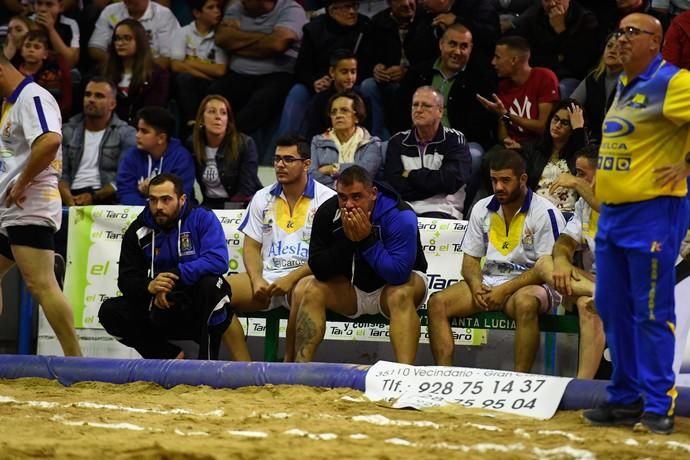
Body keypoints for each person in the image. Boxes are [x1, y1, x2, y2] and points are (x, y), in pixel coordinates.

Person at [582, 13, 690, 436]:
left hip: (652, 213)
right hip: (612, 216)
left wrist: (686, 166)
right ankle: (624, 398)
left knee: (650, 311)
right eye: (618, 31)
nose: (621, 39)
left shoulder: (673, 81)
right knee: (610, 306)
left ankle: (658, 404)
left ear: (656, 41)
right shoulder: (623, 86)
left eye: (632, 32)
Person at [427, 149, 565, 372]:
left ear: (523, 179)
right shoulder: (482, 208)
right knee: (437, 304)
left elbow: (545, 269)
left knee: (525, 304)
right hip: (491, 282)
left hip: (533, 284)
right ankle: (445, 376)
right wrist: (475, 285)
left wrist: (505, 290)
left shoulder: (545, 213)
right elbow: (470, 261)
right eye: (494, 180)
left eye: (505, 180)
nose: (499, 187)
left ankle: (519, 381)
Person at [294, 165, 428, 364]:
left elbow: (399, 274)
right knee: (312, 289)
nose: (348, 205)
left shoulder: (400, 214)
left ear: (373, 193)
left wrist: (366, 240)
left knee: (400, 294)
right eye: (342, 197)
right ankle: (299, 367)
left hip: (394, 288)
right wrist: (349, 240)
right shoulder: (329, 212)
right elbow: (319, 268)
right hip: (353, 289)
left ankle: (404, 373)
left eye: (356, 197)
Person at [98, 173, 234, 360]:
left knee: (213, 286)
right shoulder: (139, 229)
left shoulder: (202, 218)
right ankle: (168, 356)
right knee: (110, 311)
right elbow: (127, 279)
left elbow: (217, 260)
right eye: (153, 200)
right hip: (160, 306)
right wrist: (149, 287)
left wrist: (173, 277)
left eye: (166, 200)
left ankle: (207, 363)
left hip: (194, 304)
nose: (158, 207)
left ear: (182, 199)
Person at [224, 135, 336, 361]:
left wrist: (291, 278)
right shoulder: (261, 197)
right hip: (267, 279)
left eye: (288, 159)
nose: (279, 165)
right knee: (215, 291)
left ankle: (290, 363)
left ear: (306, 164)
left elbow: (328, 256)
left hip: (307, 276)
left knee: (305, 289)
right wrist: (256, 279)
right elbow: (252, 247)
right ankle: (244, 368)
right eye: (276, 159)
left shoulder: (328, 199)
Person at [0, 52, 81, 357]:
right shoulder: (9, 104)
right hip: (10, 207)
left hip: (29, 203)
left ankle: (76, 360)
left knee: (42, 284)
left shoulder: (33, 96)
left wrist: (20, 183)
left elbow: (49, 140)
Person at [534, 144, 605, 379]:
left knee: (587, 304)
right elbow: (564, 241)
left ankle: (582, 382)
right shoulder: (583, 205)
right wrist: (563, 262)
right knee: (545, 264)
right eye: (576, 173)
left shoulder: (626, 201)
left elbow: (611, 212)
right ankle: (582, 385)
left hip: (632, 284)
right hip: (593, 283)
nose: (575, 178)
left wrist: (575, 184)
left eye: (581, 173)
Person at [212, 0, 307, 134]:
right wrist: (266, 39)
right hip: (238, 74)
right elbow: (222, 38)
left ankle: (229, 141)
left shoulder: (291, 9)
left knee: (258, 106)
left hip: (276, 75)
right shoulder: (237, 7)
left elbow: (276, 45)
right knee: (212, 97)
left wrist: (237, 41)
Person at [384, 86, 471, 219]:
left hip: (443, 210)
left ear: (440, 111)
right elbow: (395, 185)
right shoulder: (397, 141)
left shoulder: (454, 139)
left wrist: (409, 173)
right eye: (415, 105)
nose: (418, 110)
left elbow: (450, 181)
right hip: (405, 210)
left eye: (426, 106)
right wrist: (434, 186)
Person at [60, 76, 136, 206]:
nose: (91, 100)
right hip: (70, 195)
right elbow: (61, 173)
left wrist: (94, 197)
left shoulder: (126, 133)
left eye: (99, 96)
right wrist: (68, 199)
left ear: (112, 104)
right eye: (88, 95)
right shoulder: (67, 130)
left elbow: (124, 178)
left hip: (106, 198)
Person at [504, 99, 588, 213]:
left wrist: (579, 130)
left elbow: (587, 167)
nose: (557, 125)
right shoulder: (535, 150)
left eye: (565, 123)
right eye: (556, 119)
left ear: (572, 128)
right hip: (537, 214)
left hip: (568, 215)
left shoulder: (578, 155)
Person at [477, 36, 559, 146]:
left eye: (497, 57)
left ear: (514, 60)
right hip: (512, 147)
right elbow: (503, 132)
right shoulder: (503, 86)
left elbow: (543, 127)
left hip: (538, 146)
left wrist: (506, 115)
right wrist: (505, 139)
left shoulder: (544, 77)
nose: (493, 62)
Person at [511, 0, 601, 97]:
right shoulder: (531, 17)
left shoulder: (585, 20)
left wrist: (560, 30)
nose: (552, 4)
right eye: (547, 0)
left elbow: (580, 64)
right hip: (539, 74)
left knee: (561, 89)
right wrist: (558, 58)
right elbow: (528, 58)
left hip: (571, 78)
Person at [191, 94, 262, 208]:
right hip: (209, 204)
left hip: (243, 205)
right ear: (201, 119)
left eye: (223, 113)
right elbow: (186, 184)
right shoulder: (192, 145)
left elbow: (246, 189)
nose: (218, 117)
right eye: (212, 111)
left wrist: (226, 214)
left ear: (228, 121)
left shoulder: (245, 144)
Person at [116, 106, 195, 206]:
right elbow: (124, 192)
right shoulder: (132, 155)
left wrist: (152, 193)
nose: (137, 135)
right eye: (138, 130)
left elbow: (180, 197)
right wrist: (150, 207)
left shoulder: (181, 159)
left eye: (144, 131)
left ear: (161, 138)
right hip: (137, 214)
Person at [170, 0, 227, 133]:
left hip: (210, 86)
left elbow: (220, 70)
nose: (217, 11)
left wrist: (189, 62)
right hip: (190, 84)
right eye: (211, 8)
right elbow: (176, 66)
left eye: (218, 7)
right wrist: (207, 74)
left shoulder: (220, 36)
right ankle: (191, 123)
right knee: (184, 79)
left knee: (220, 85)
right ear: (197, 13)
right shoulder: (182, 33)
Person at [102, 19, 170, 126]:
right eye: (117, 38)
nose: (120, 43)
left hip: (140, 131)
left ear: (140, 41)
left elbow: (153, 111)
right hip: (107, 128)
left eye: (127, 38)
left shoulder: (157, 75)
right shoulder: (103, 72)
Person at [309, 91, 383, 189]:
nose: (338, 115)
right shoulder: (318, 142)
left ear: (356, 117)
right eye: (333, 112)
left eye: (344, 110)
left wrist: (333, 168)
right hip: (326, 196)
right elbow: (312, 175)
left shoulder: (371, 143)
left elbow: (365, 172)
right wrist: (338, 187)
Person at [302, 49, 373, 139]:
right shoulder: (319, 100)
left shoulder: (363, 99)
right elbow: (313, 134)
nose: (349, 77)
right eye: (344, 72)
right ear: (332, 72)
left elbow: (367, 132)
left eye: (353, 72)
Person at [88, 0, 180, 70]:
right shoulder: (110, 11)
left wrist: (133, 66)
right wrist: (118, 63)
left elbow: (166, 59)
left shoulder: (164, 15)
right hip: (115, 70)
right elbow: (95, 48)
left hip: (151, 71)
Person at [571, 34, 624, 143]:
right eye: (609, 46)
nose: (612, 51)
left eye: (619, 48)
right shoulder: (593, 78)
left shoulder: (635, 83)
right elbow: (570, 106)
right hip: (593, 142)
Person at [17, 28, 71, 118]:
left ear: (45, 54)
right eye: (27, 46)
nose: (31, 50)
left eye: (36, 47)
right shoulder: (14, 72)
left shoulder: (50, 76)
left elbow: (53, 103)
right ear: (21, 51)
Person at [30, 0, 80, 67]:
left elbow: (71, 62)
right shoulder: (27, 21)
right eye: (39, 3)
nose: (42, 9)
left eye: (49, 4)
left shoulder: (70, 24)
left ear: (61, 7)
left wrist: (51, 29)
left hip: (58, 69)